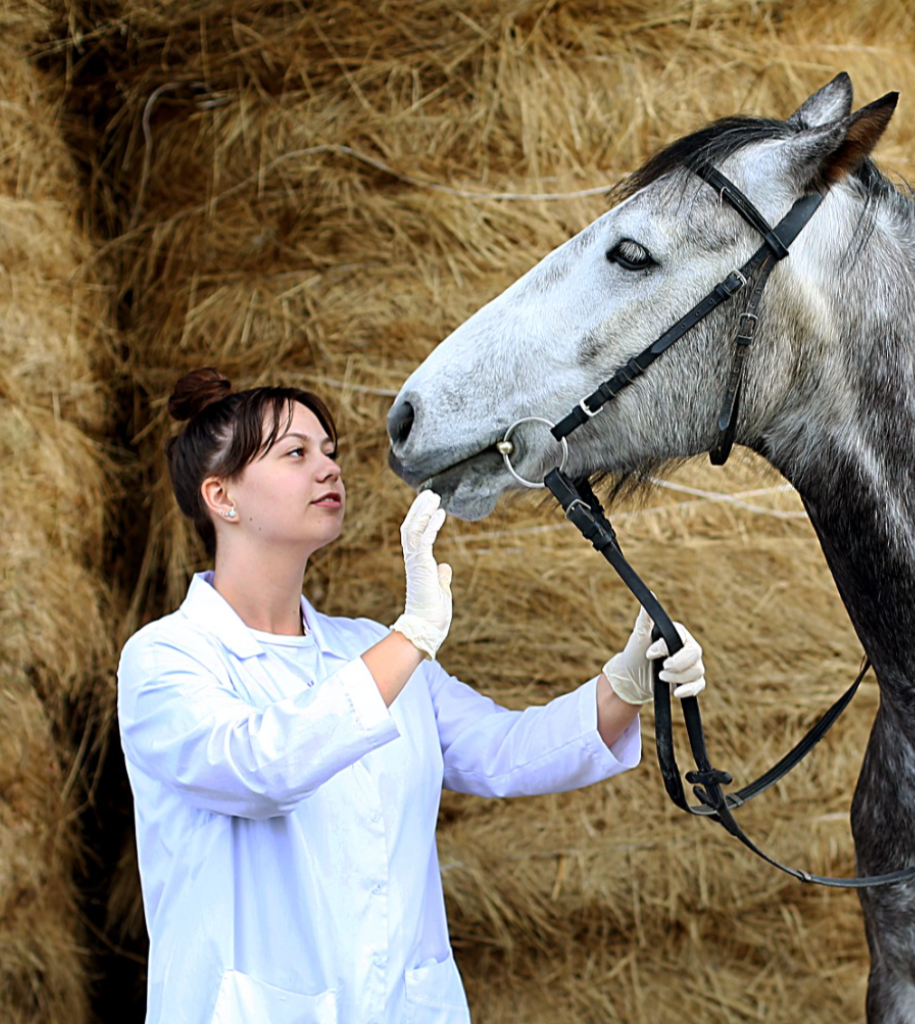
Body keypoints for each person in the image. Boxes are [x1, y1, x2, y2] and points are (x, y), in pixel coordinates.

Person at [117, 367, 707, 1024]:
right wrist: (414, 634)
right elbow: (263, 768)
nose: (329, 469)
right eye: (296, 453)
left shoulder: (368, 650)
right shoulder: (167, 658)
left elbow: (504, 752)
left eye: (330, 451)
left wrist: (625, 683)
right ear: (221, 496)